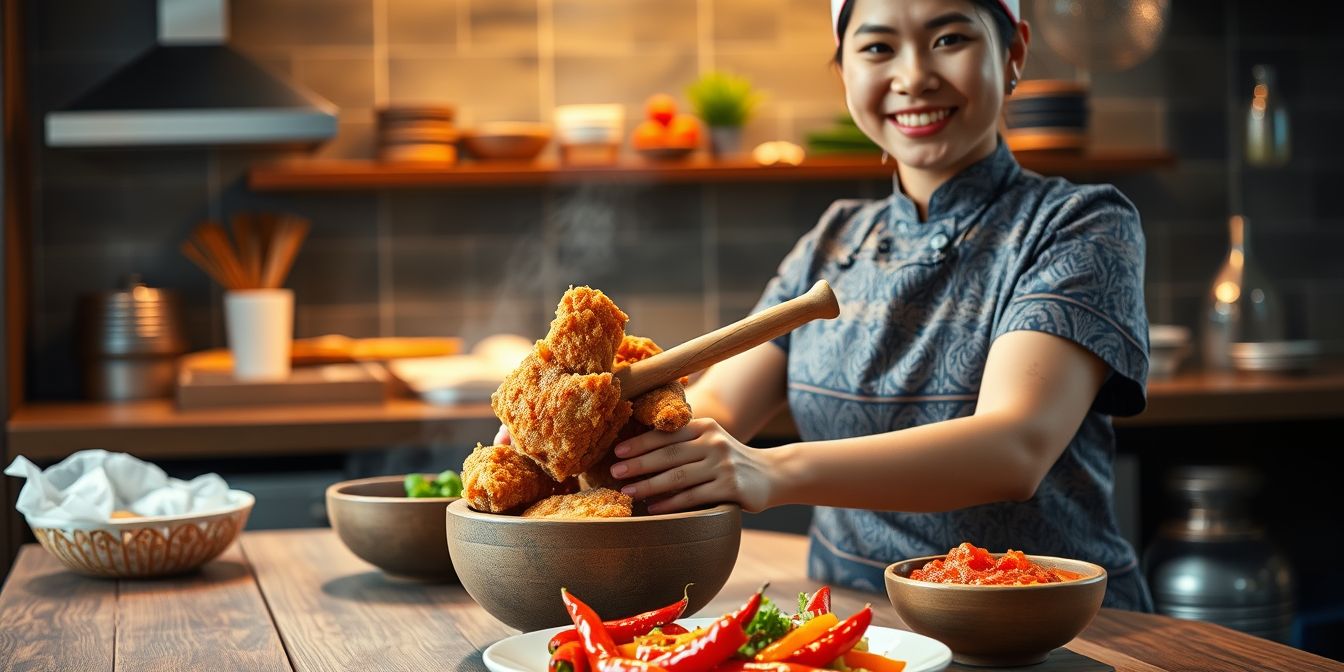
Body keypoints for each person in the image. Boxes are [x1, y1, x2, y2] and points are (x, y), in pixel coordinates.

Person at [504, 0, 1153, 610]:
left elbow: (1014, 447)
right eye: (877, 47)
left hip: (1046, 623)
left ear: (1014, 51)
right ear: (844, 71)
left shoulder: (1079, 224)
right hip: (849, 620)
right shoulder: (835, 238)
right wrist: (586, 439)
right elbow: (720, 406)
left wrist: (773, 472)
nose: (914, 76)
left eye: (949, 39)